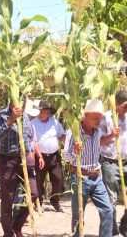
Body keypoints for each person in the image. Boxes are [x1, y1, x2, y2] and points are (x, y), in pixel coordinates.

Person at [64, 99, 113, 237]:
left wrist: (111, 135)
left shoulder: (97, 132)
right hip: (80, 177)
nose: (99, 121)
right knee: (78, 215)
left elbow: (98, 145)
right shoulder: (72, 132)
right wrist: (75, 150)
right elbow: (65, 157)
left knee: (107, 210)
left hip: (97, 177)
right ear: (85, 116)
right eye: (95, 118)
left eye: (100, 118)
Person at [0, 97, 38, 237]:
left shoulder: (25, 116)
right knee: (8, 198)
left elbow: (28, 135)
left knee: (33, 193)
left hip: (24, 159)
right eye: (18, 102)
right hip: (7, 160)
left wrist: (30, 151)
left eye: (23, 102)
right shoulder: (1, 115)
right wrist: (11, 119)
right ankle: (8, 233)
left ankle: (16, 225)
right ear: (11, 102)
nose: (21, 105)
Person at [99, 90, 127, 236]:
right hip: (110, 163)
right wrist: (112, 135)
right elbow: (98, 142)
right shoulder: (105, 118)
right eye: (125, 106)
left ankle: (124, 225)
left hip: (126, 161)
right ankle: (112, 231)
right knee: (111, 199)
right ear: (116, 103)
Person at [31, 100, 65, 212]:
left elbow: (61, 135)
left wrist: (67, 137)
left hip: (54, 155)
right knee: (38, 180)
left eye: (43, 111)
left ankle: (54, 200)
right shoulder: (33, 123)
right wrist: (39, 156)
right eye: (40, 111)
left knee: (58, 178)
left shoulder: (55, 123)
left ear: (48, 112)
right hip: (39, 156)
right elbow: (33, 141)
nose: (41, 113)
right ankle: (38, 203)